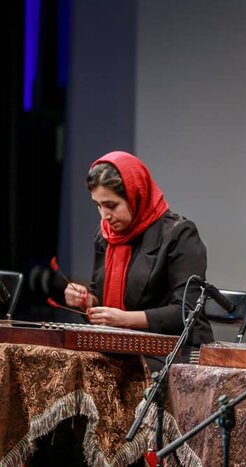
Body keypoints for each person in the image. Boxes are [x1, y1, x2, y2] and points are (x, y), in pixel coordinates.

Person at [63, 151, 214, 366]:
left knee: (99, 371)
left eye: (111, 205)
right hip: (122, 347)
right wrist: (86, 301)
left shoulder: (179, 234)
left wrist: (124, 319)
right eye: (98, 205)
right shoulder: (106, 235)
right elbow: (100, 296)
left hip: (176, 351)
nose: (104, 216)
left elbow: (187, 311)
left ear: (137, 195)